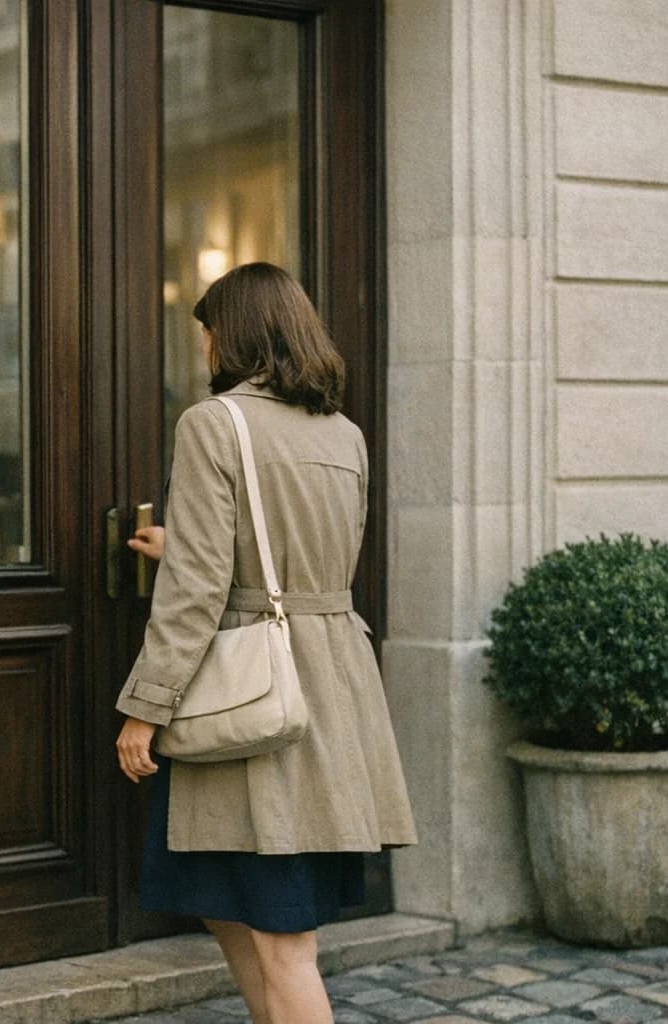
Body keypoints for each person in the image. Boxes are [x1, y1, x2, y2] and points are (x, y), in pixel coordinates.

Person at [114, 262, 417, 1024]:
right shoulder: (344, 434)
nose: (206, 349)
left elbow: (196, 595)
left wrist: (145, 710)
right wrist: (179, 543)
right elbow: (308, 551)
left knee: (284, 939)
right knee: (231, 908)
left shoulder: (213, 423)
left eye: (210, 332)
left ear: (234, 337)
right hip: (331, 685)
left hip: (254, 693)